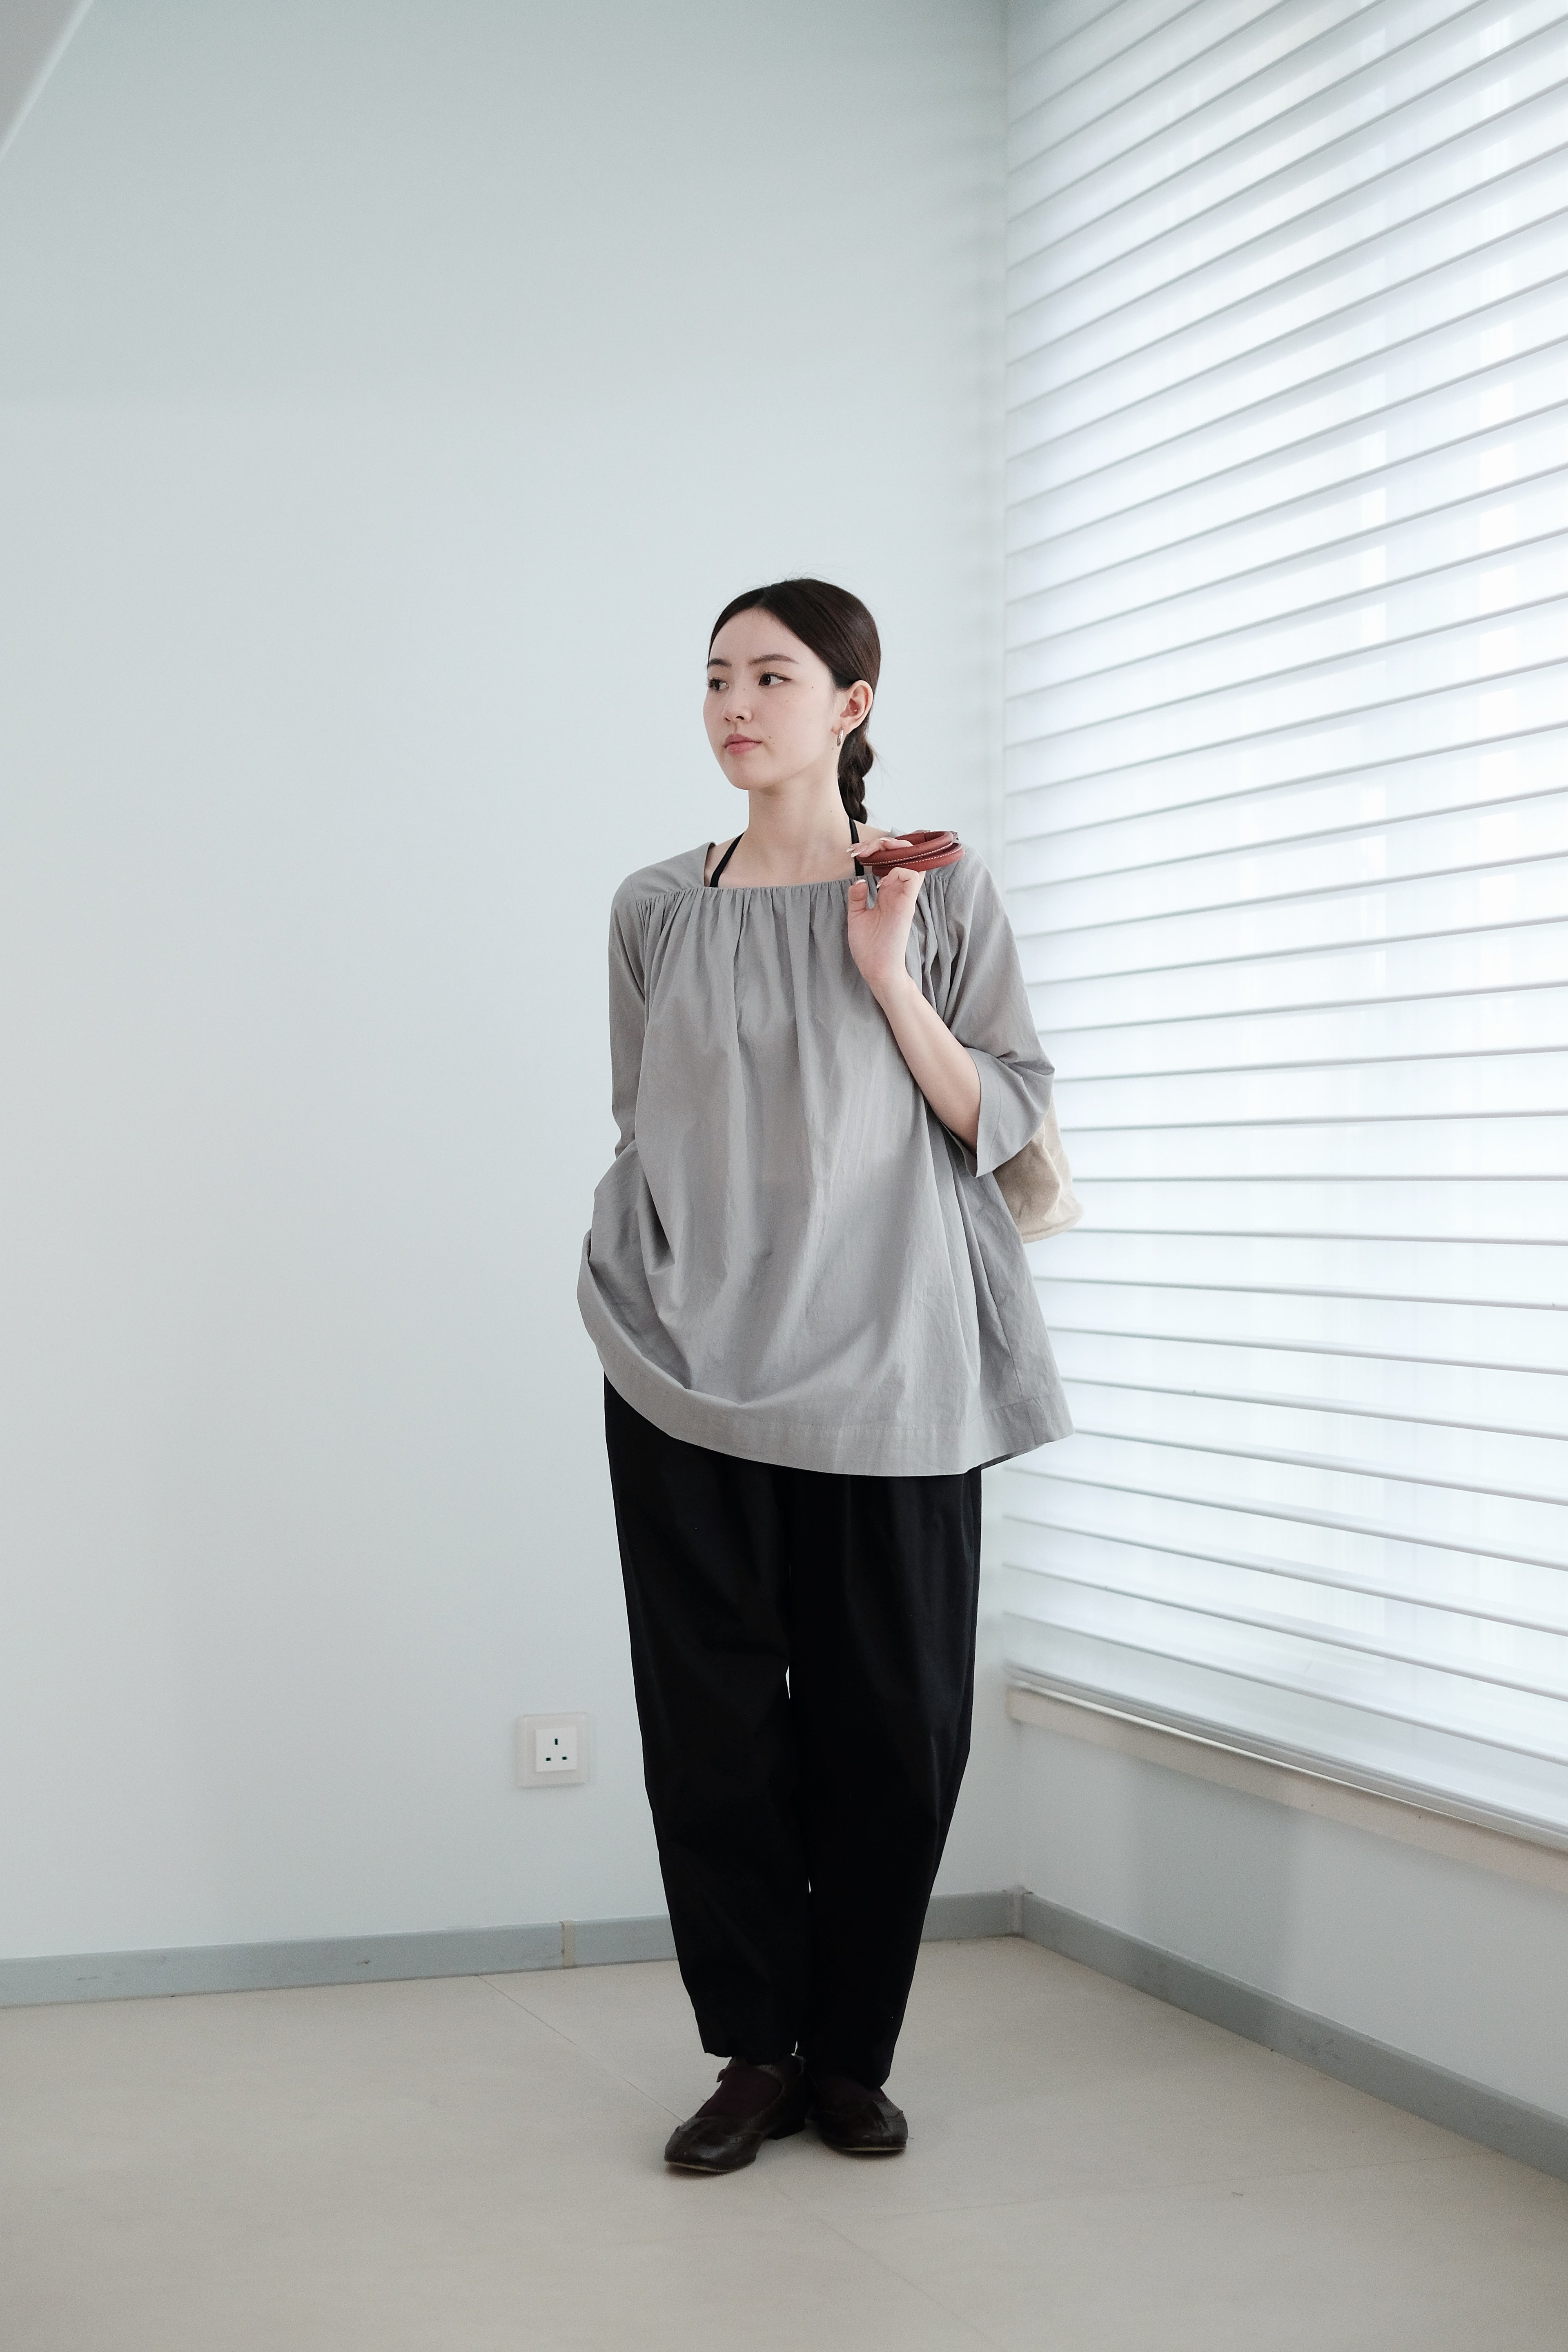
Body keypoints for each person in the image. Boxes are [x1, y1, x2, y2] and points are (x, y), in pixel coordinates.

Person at [577, 577, 1070, 2173]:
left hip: (895, 1359)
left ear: (852, 704)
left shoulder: (939, 888)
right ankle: (758, 2053)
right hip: (685, 1365)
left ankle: (852, 2054)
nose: (735, 705)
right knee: (712, 1727)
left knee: (895, 1726)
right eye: (717, 676)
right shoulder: (656, 906)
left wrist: (886, 969)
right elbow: (646, 1126)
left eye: (772, 677)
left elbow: (1002, 1114)